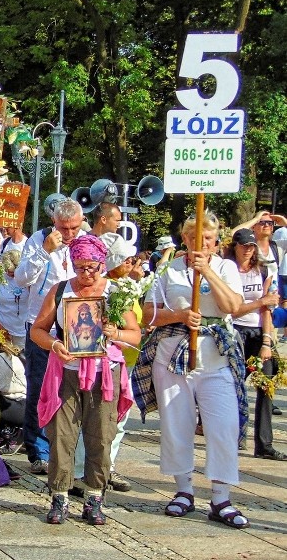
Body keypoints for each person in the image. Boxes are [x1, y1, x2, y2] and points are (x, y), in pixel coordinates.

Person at [134, 211, 249, 528]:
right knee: (176, 422)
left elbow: (233, 307)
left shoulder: (226, 268)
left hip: (216, 357)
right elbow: (148, 314)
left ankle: (221, 496)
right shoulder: (168, 270)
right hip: (173, 354)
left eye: (208, 240)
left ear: (215, 242)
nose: (202, 245)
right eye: (195, 239)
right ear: (184, 239)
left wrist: (207, 273)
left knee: (223, 425)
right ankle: (183, 490)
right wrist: (180, 316)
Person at [31, 234, 139, 524]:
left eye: (92, 267)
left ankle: (94, 497)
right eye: (80, 268)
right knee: (61, 436)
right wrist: (55, 345)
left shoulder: (115, 292)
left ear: (103, 264)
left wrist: (115, 334)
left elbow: (135, 334)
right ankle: (59, 497)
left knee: (101, 436)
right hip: (66, 372)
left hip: (104, 374)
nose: (86, 274)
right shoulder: (61, 291)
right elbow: (37, 330)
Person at [13, 198, 85, 475]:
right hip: (42, 326)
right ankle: (39, 450)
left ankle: (71, 450)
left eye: (74, 228)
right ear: (54, 222)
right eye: (63, 228)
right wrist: (44, 251)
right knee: (41, 389)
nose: (69, 234)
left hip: (77, 326)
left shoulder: (86, 240)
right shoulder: (38, 240)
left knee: (75, 390)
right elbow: (21, 279)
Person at [224, 229, 284, 460]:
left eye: (251, 246)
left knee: (266, 385)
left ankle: (264, 444)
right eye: (244, 246)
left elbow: (268, 309)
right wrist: (261, 301)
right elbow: (232, 308)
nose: (248, 250)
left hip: (258, 331)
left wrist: (267, 341)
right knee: (233, 388)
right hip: (234, 330)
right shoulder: (227, 270)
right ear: (235, 247)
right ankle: (234, 436)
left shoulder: (263, 270)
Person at [0, 250, 28, 350]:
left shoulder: (28, 279)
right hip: (2, 332)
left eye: (14, 271)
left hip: (23, 332)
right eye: (8, 271)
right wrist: (0, 329)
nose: (11, 273)